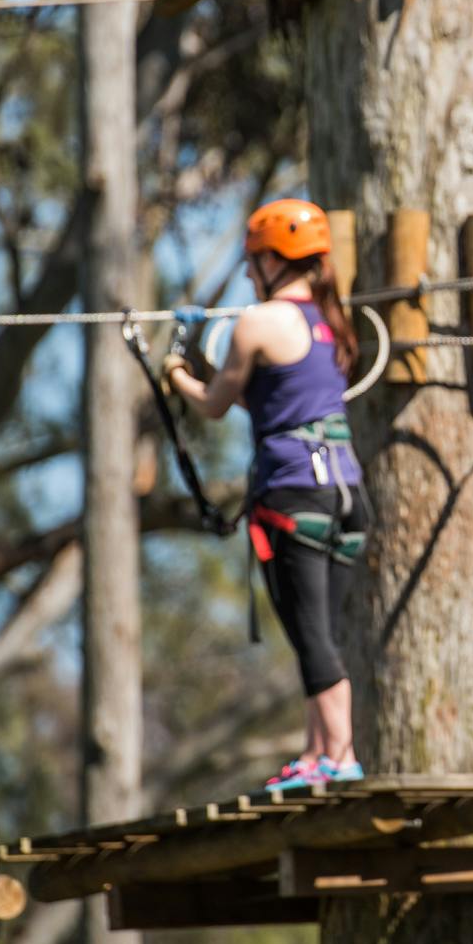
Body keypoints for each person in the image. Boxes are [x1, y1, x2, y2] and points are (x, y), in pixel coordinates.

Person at [165, 198, 370, 794]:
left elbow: (213, 405)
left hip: (293, 494)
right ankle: (317, 751)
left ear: (275, 260)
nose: (249, 274)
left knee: (310, 635)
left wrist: (175, 368)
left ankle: (340, 756)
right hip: (347, 494)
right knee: (321, 632)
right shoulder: (331, 320)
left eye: (254, 261)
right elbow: (274, 398)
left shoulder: (258, 323)